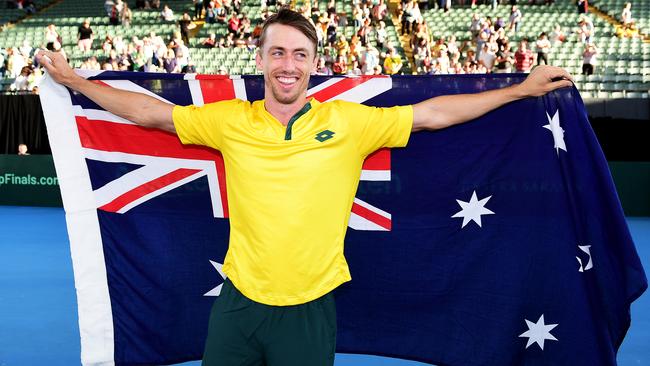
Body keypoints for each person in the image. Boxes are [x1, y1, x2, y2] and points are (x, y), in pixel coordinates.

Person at [37, 8, 572, 366]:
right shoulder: (230, 120)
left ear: (315, 63)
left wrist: (517, 90)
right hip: (238, 305)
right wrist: (76, 82)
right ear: (260, 59)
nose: (287, 65)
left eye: (298, 55)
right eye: (277, 53)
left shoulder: (349, 122)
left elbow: (432, 114)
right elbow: (154, 114)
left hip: (310, 310)